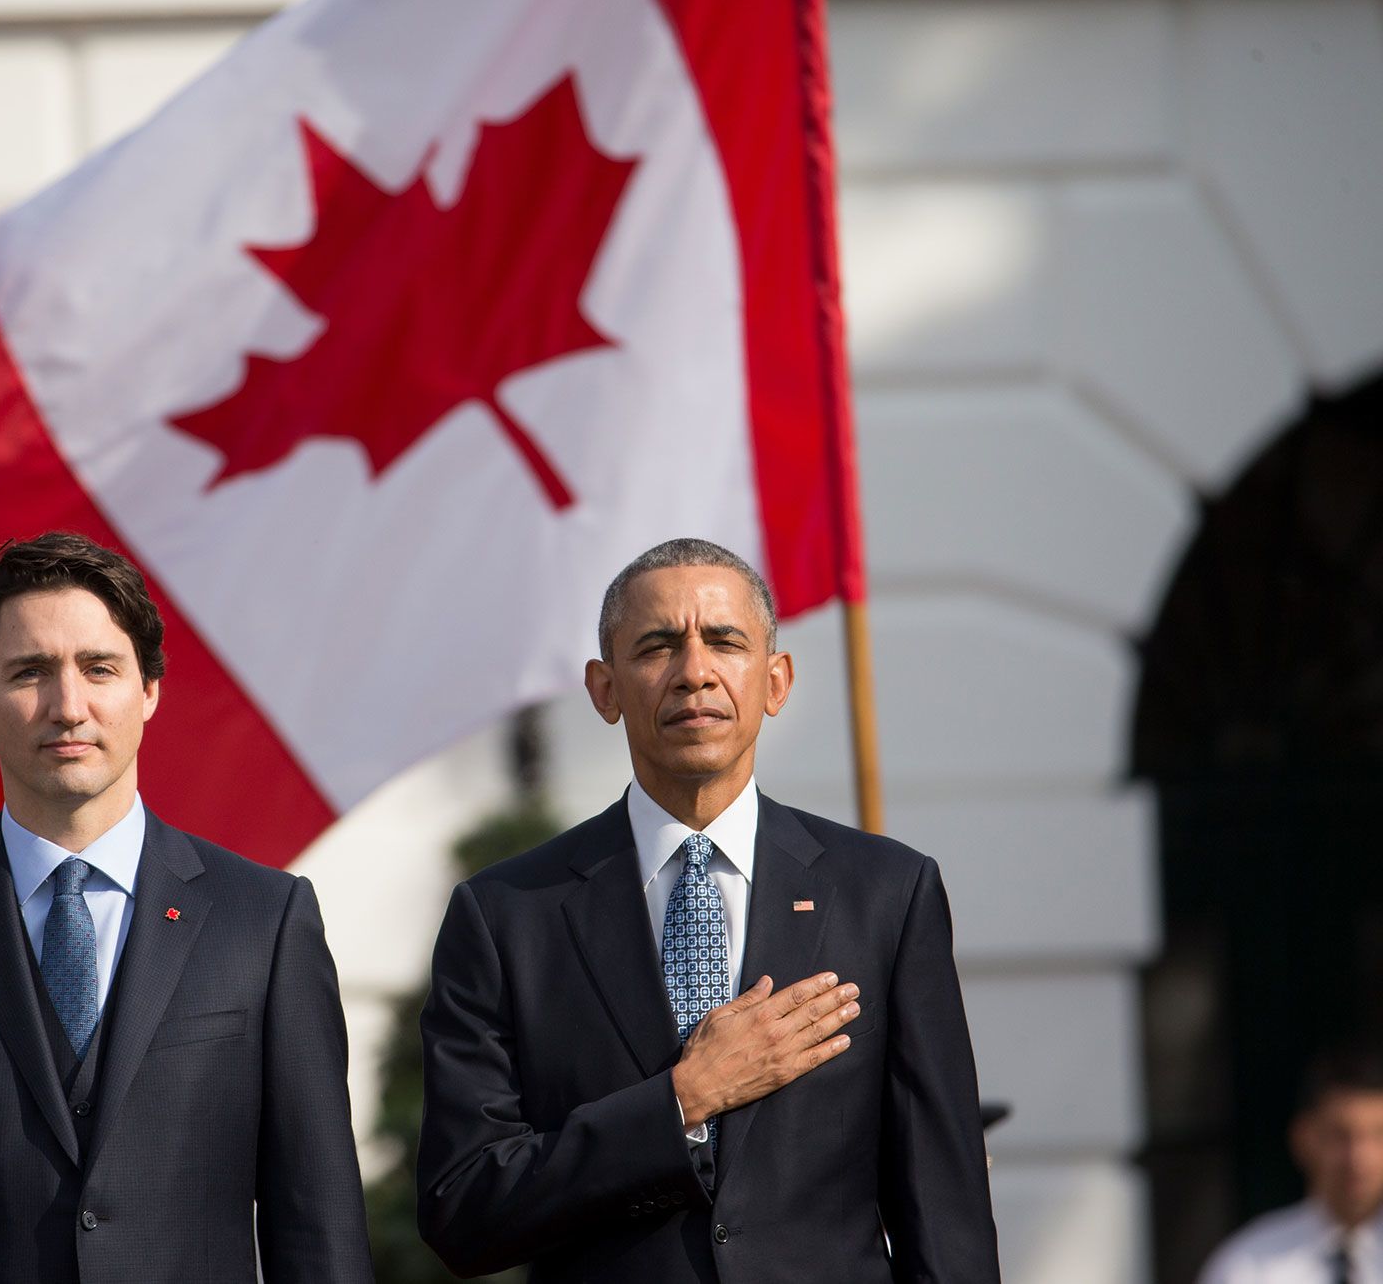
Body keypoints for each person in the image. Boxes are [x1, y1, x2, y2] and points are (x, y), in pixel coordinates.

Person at [0, 531, 373, 1283]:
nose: (69, 706)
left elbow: (319, 1230)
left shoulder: (265, 922)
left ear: (150, 690)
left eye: (99, 668)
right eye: (31, 671)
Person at [417, 537, 1001, 1281]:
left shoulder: (886, 893)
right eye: (658, 646)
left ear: (776, 680)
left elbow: (943, 1213)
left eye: (725, 641)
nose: (695, 672)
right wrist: (682, 1099)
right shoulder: (507, 914)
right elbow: (462, 1205)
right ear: (604, 689)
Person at [1199, 1051, 1383, 1284]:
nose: (1359, 1158)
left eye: (1378, 1135)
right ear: (1303, 1138)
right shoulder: (1247, 1264)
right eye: (1340, 1135)